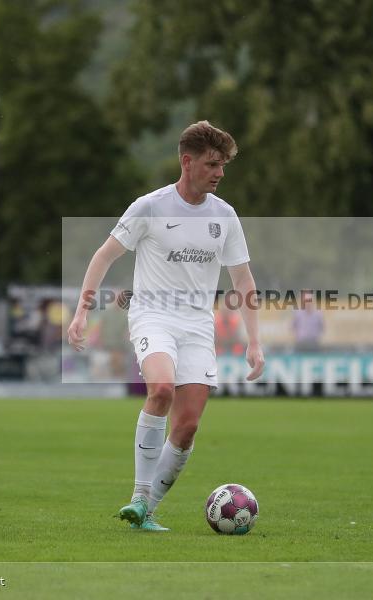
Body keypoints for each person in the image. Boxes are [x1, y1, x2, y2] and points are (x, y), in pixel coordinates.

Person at [67, 121, 265, 532]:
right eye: (213, 164)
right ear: (187, 162)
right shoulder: (150, 207)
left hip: (197, 325)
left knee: (188, 425)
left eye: (224, 165)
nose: (220, 173)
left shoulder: (225, 216)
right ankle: (138, 495)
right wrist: (82, 311)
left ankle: (147, 511)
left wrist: (255, 341)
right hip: (151, 315)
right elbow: (104, 256)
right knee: (160, 389)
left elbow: (243, 280)